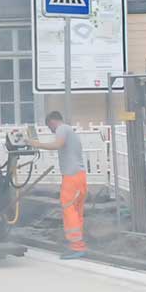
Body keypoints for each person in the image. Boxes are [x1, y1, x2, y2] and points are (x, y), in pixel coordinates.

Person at [27, 111, 87, 259]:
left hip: (71, 176)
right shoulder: (70, 130)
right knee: (76, 211)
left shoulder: (62, 128)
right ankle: (79, 244)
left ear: (52, 122)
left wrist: (36, 144)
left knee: (68, 210)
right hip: (80, 176)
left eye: (49, 127)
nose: (51, 131)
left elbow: (58, 144)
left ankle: (76, 246)